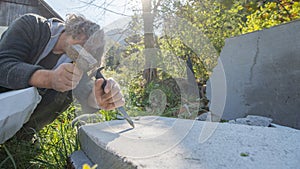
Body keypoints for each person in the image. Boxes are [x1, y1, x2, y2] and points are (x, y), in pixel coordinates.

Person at [0, 13, 124, 140]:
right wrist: (49, 79)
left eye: (93, 51)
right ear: (81, 30)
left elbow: (85, 93)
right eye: (89, 45)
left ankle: (22, 136)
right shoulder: (31, 25)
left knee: (68, 87)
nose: (89, 53)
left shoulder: (77, 62)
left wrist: (98, 98)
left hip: (21, 129)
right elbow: (3, 65)